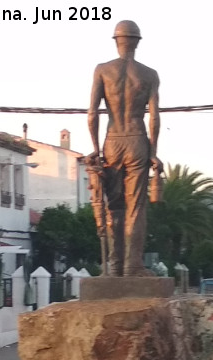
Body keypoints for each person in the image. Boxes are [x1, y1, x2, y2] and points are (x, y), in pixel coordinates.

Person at [87, 19, 162, 277]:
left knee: (114, 207)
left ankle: (114, 266)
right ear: (137, 42)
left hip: (112, 140)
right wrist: (153, 152)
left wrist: (96, 149)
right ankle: (133, 266)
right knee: (136, 207)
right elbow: (153, 117)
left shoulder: (102, 70)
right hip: (137, 139)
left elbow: (92, 113)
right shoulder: (149, 74)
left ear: (117, 41)